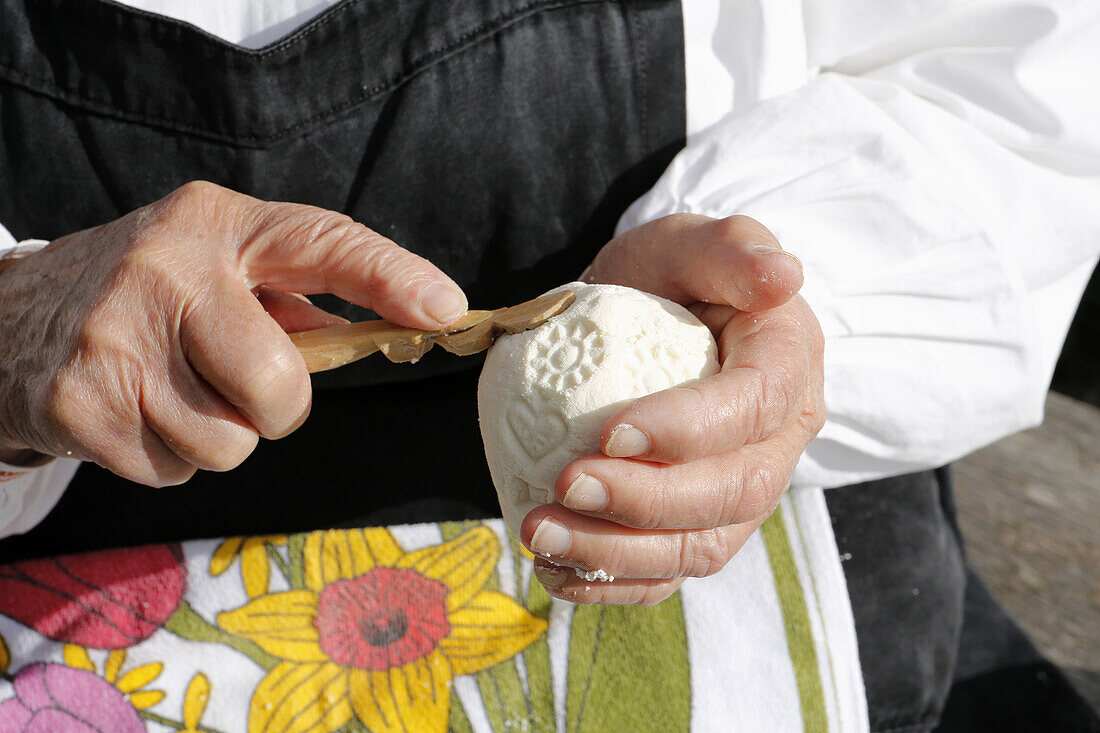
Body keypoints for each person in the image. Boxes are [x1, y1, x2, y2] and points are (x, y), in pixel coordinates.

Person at [0, 0, 1097, 730]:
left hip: (749, 568)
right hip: (93, 622)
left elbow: (1024, 94)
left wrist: (778, 303)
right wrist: (16, 326)